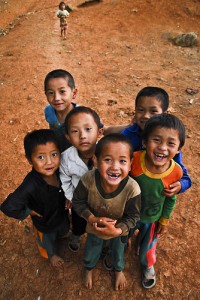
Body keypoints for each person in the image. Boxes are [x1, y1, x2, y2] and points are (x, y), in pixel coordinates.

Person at [72, 134, 141, 290]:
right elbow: (78, 202)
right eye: (108, 159)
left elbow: (133, 216)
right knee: (91, 249)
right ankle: (88, 268)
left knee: (118, 252)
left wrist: (117, 230)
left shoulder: (132, 189)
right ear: (95, 161)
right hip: (94, 228)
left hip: (119, 232)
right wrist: (91, 218)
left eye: (122, 161)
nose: (115, 167)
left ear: (130, 164)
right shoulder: (88, 180)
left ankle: (118, 270)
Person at [0, 129, 69, 274]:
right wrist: (28, 211)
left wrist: (68, 197)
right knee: (47, 241)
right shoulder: (30, 185)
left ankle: (61, 234)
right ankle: (51, 255)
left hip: (60, 215)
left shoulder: (59, 171)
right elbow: (8, 207)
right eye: (41, 157)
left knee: (63, 230)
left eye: (54, 154)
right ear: (30, 160)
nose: (49, 162)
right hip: (45, 223)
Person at [129, 113, 185, 289]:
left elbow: (171, 198)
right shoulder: (134, 160)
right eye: (156, 140)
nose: (162, 148)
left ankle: (147, 265)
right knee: (122, 238)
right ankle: (115, 252)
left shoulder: (176, 172)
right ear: (145, 142)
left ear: (178, 149)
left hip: (152, 218)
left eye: (171, 143)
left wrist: (164, 219)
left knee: (148, 245)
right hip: (129, 214)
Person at [121, 86, 192, 196]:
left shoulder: (170, 145)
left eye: (153, 111)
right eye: (140, 110)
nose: (146, 116)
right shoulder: (128, 135)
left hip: (155, 195)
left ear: (164, 113)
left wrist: (181, 185)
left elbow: (184, 176)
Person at [43, 69, 129, 152]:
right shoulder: (49, 110)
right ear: (46, 94)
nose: (56, 98)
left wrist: (130, 126)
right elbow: (53, 129)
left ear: (74, 93)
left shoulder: (83, 115)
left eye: (62, 91)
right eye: (51, 93)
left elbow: (105, 130)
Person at [59, 106, 104, 252]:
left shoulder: (106, 154)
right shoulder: (66, 157)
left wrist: (99, 168)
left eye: (88, 129)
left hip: (102, 201)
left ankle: (103, 244)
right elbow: (65, 179)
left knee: (100, 224)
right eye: (75, 131)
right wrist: (72, 198)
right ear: (68, 137)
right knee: (78, 222)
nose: (82, 136)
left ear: (100, 132)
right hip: (79, 201)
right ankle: (77, 235)